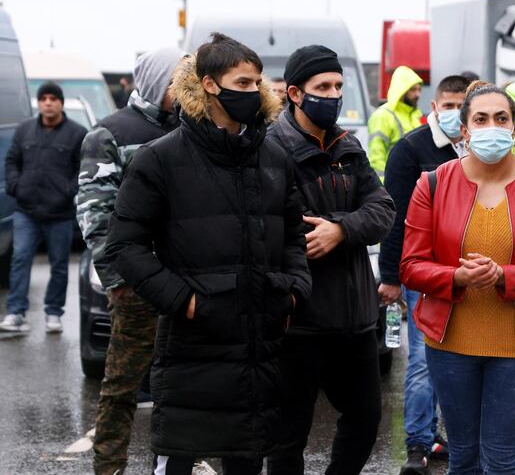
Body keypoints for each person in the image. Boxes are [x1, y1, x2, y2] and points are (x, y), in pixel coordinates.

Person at [106, 33, 311, 474]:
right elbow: (125, 244)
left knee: (248, 460)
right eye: (242, 83)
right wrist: (185, 300)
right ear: (209, 85)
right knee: (179, 458)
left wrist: (293, 292)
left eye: (258, 83)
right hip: (192, 346)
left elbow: (295, 235)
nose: (254, 93)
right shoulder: (159, 159)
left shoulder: (274, 157)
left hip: (262, 343)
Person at [400, 81, 515, 475]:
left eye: (501, 118)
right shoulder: (432, 183)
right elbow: (411, 265)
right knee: (463, 456)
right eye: (481, 119)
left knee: (501, 458)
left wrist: (504, 276)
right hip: (451, 341)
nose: (492, 127)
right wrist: (457, 277)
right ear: (465, 130)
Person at [265, 45, 395, 475]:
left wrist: (340, 229)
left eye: (338, 86)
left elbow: (383, 210)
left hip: (356, 318)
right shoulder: (272, 149)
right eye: (323, 86)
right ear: (296, 93)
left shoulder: (349, 145)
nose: (334, 94)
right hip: (298, 323)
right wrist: (347, 223)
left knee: (365, 420)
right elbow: (288, 223)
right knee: (287, 436)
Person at [77, 47, 186, 475]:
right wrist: (118, 281)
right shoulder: (109, 133)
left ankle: (167, 464)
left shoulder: (193, 129)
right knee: (122, 387)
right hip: (136, 285)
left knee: (177, 386)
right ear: (160, 82)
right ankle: (109, 469)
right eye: (180, 80)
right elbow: (94, 213)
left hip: (185, 283)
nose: (190, 89)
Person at [377, 74, 469, 474]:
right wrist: (391, 275)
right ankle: (417, 443)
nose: (453, 113)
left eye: (459, 107)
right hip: (425, 274)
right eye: (446, 105)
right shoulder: (411, 149)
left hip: (470, 274)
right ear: (434, 107)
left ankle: (441, 436)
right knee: (422, 360)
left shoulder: (475, 149)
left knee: (459, 359)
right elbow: (394, 217)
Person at [0, 81, 87, 333]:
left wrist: (67, 192)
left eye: (53, 98)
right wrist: (17, 186)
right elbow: (11, 160)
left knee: (59, 264)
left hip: (59, 214)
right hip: (26, 211)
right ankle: (16, 313)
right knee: (20, 259)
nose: (48, 102)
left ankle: (53, 313)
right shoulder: (24, 130)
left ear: (60, 102)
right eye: (43, 98)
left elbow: (81, 169)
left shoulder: (77, 133)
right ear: (38, 103)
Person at [367, 65, 423, 179]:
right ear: (401, 90)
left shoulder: (414, 115)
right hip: (392, 185)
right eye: (413, 90)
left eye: (419, 89)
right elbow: (376, 157)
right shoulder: (382, 116)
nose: (418, 94)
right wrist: (383, 188)